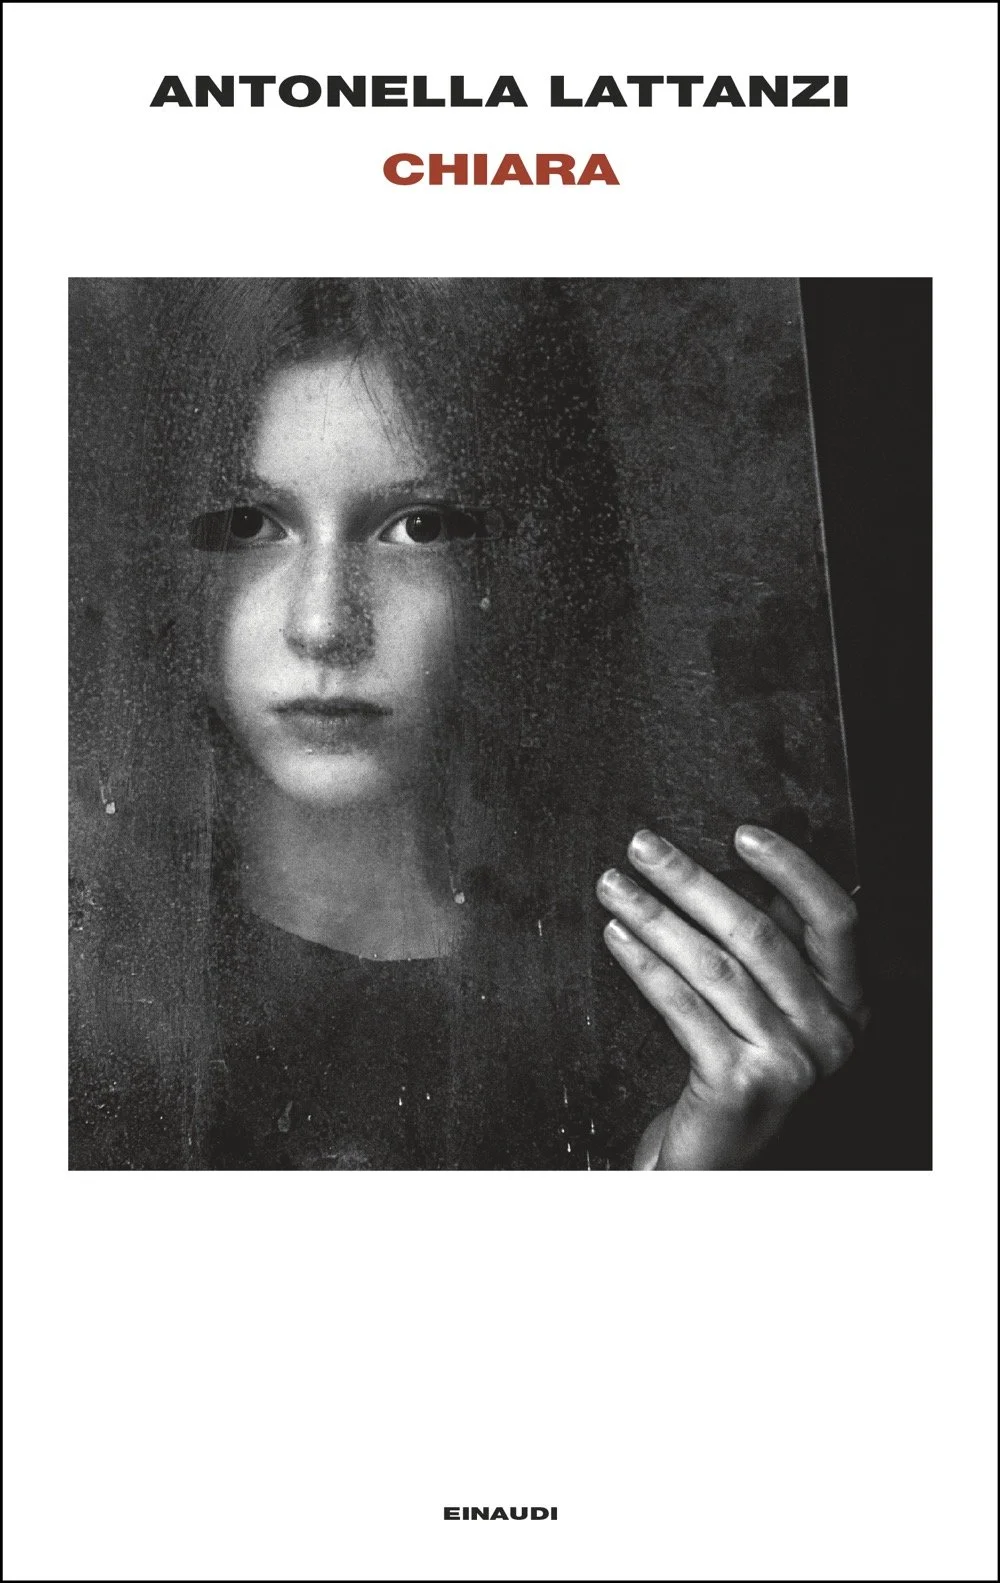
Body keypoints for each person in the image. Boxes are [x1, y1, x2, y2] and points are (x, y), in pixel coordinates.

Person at [68, 278, 866, 1170]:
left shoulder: (648, 995)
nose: (325, 624)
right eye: (251, 526)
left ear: (526, 566)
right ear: (161, 569)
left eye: (419, 527)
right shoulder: (69, 974)